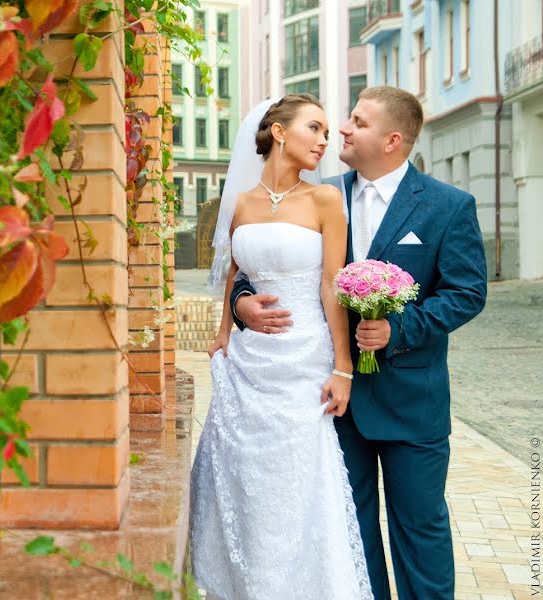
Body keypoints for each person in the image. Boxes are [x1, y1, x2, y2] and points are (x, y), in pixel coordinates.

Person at [229, 86, 488, 600]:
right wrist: (241, 304)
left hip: (412, 402)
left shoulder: (448, 206)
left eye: (356, 122)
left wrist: (400, 328)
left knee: (421, 531)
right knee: (350, 533)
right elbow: (261, 263)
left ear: (392, 140)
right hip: (327, 398)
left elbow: (468, 292)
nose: (341, 130)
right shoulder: (319, 193)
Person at [188, 94, 374, 600]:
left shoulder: (324, 201)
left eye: (326, 134)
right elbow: (234, 272)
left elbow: (332, 283)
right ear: (279, 132)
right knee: (245, 475)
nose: (323, 140)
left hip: (303, 359)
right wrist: (227, 331)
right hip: (248, 364)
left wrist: (342, 368)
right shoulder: (243, 202)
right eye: (313, 128)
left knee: (297, 483)